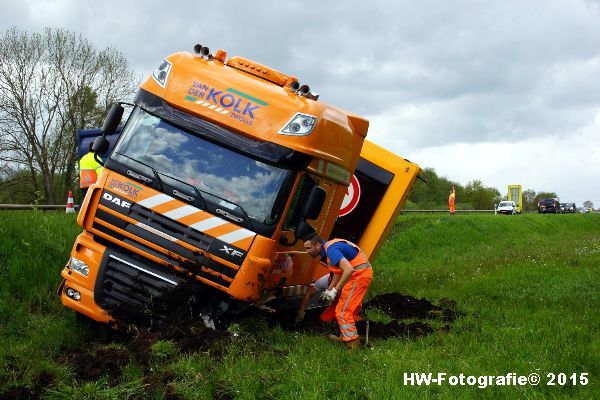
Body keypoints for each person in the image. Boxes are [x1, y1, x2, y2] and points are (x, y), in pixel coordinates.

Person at [303, 234, 372, 350]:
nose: (306, 252)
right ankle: (344, 336)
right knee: (344, 308)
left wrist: (335, 290)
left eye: (308, 248)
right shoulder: (331, 248)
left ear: (318, 245)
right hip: (358, 275)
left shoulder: (331, 250)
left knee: (343, 311)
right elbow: (338, 272)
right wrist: (330, 289)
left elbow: (349, 270)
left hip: (358, 276)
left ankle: (353, 344)